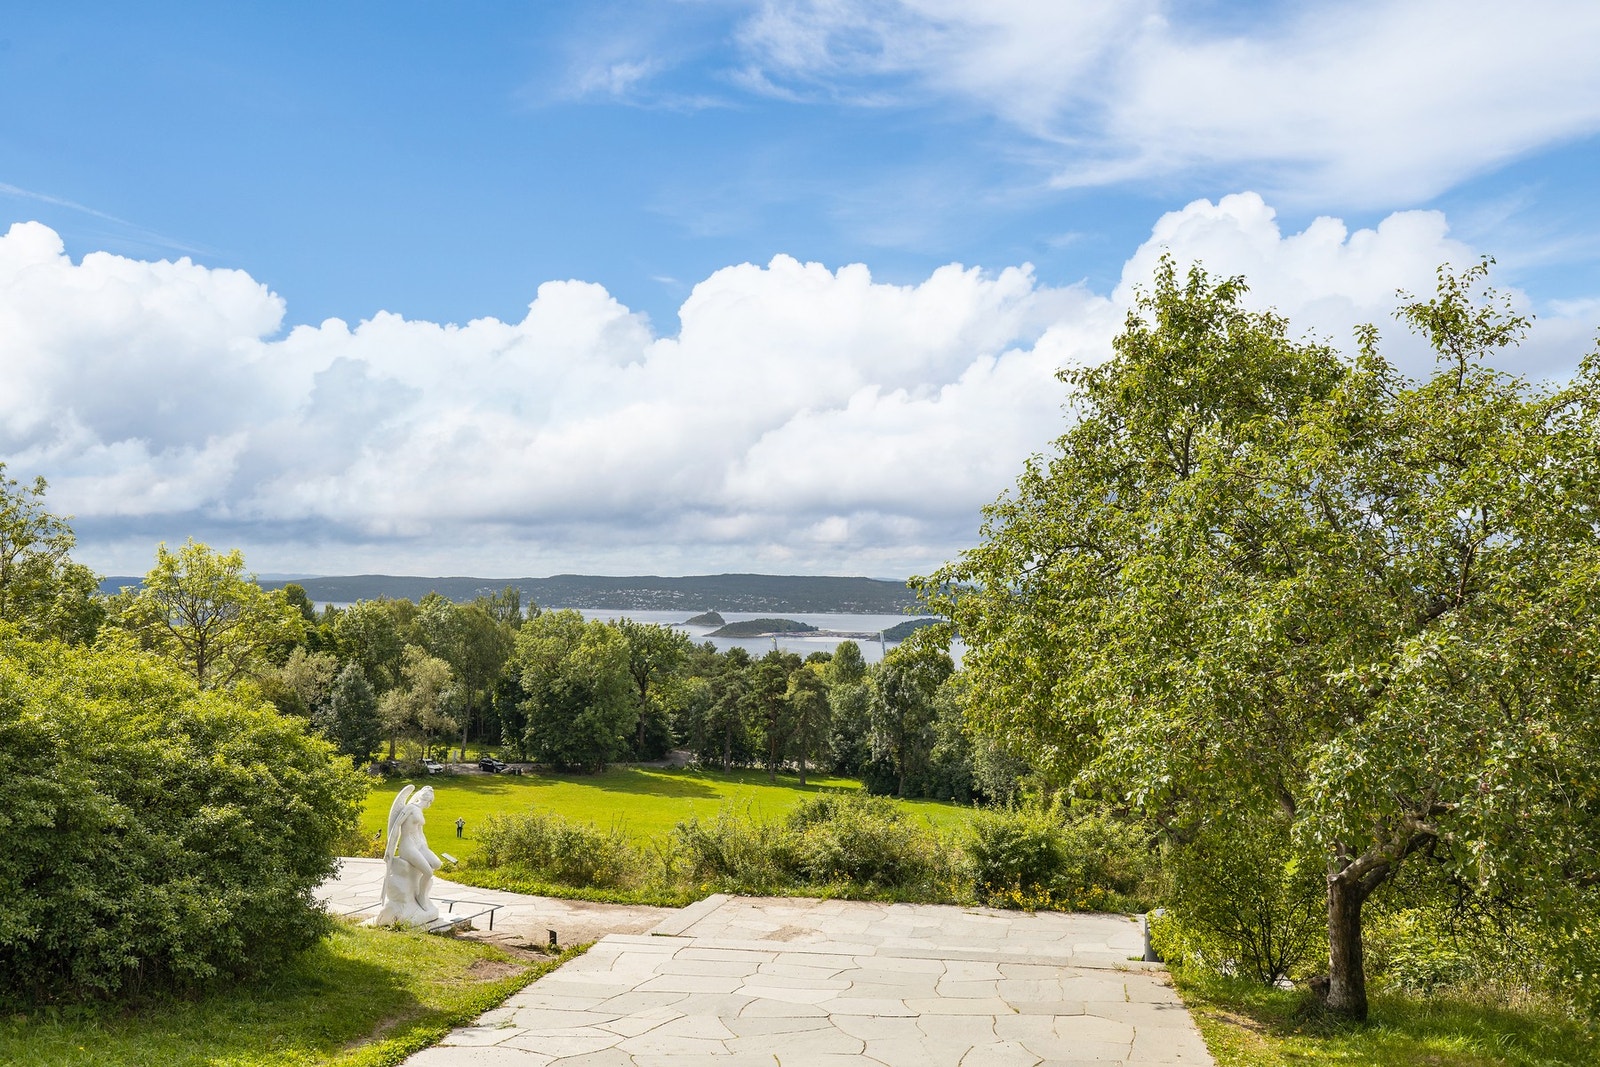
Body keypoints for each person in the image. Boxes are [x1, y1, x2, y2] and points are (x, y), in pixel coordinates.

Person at [370, 785, 443, 926]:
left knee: (437, 864)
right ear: (426, 800)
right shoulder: (409, 808)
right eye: (430, 801)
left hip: (419, 845)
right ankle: (421, 898)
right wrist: (390, 849)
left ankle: (422, 895)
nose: (430, 804)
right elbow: (396, 826)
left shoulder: (420, 812)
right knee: (428, 872)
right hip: (408, 846)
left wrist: (425, 848)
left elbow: (420, 832)